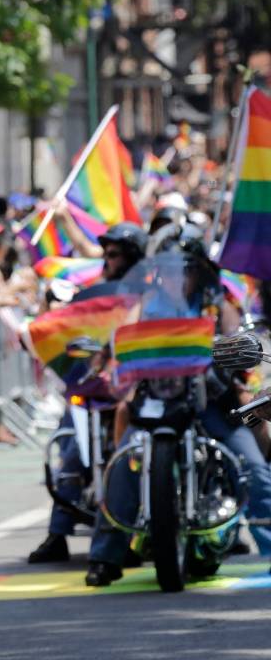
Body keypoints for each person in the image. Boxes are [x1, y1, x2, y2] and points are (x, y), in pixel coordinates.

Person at [84, 228, 271, 585]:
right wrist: (112, 356)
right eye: (168, 267)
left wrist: (235, 345)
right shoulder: (146, 302)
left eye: (184, 267)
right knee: (122, 465)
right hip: (158, 398)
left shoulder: (215, 300)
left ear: (199, 269)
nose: (176, 274)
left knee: (252, 467)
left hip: (209, 398)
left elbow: (239, 335)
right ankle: (105, 557)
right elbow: (121, 335)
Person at [29, 222, 149, 563]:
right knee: (69, 448)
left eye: (116, 254)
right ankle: (57, 534)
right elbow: (72, 325)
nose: (109, 260)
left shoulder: (150, 295)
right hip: (96, 386)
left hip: (135, 384)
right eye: (107, 254)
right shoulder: (97, 295)